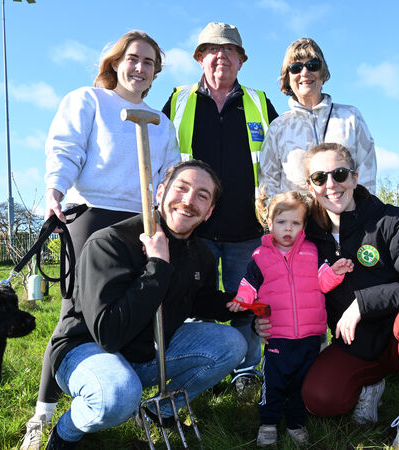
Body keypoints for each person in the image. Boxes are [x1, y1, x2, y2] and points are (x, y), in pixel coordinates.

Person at [22, 30, 180, 450]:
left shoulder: (162, 123)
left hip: (140, 221)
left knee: (133, 305)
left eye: (149, 62)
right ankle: (43, 413)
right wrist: (55, 192)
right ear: (116, 62)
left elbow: (168, 176)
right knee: (75, 314)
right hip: (91, 214)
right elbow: (65, 149)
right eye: (133, 59)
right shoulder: (88, 101)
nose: (140, 68)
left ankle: (115, 381)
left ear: (155, 73)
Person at [43, 160, 248, 449]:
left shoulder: (200, 253)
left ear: (210, 211)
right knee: (119, 394)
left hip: (147, 350)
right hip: (86, 350)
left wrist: (243, 303)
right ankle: (66, 432)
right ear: (160, 192)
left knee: (232, 343)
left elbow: (197, 301)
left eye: (202, 196)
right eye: (182, 188)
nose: (189, 201)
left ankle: (157, 411)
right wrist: (157, 267)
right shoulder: (111, 242)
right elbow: (109, 333)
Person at [257, 143, 399, 447]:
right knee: (319, 399)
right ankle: (370, 385)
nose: (331, 184)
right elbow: (281, 282)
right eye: (319, 178)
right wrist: (264, 318)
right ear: (310, 186)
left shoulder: (392, 220)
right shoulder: (304, 236)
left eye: (340, 174)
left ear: (355, 177)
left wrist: (364, 302)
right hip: (354, 344)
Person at [162, 22, 279, 394]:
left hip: (247, 228)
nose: (221, 57)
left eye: (230, 51)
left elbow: (279, 159)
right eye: (213, 50)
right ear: (200, 58)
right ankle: (203, 366)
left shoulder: (260, 102)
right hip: (193, 230)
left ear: (241, 60)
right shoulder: (178, 100)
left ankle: (246, 371)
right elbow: (159, 155)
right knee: (194, 302)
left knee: (247, 301)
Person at [227, 191, 354, 446]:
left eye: (295, 223)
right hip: (278, 336)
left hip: (310, 336)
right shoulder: (260, 256)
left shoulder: (311, 251)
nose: (288, 228)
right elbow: (249, 284)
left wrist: (336, 272)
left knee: (301, 383)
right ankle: (268, 423)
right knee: (274, 383)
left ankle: (296, 423)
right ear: (269, 223)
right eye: (282, 222)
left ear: (304, 226)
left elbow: (323, 281)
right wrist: (241, 299)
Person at [259, 38, 377, 198]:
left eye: (312, 65)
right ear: (287, 76)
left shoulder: (351, 117)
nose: (304, 73)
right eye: (295, 68)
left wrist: (361, 211)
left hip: (348, 214)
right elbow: (268, 184)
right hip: (298, 215)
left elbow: (367, 175)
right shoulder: (278, 127)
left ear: (323, 71)